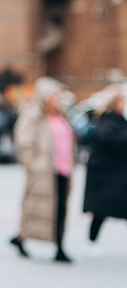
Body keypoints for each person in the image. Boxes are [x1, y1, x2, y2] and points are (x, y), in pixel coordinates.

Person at [10, 77, 75, 263]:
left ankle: (59, 245)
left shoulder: (61, 115)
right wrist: (34, 166)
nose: (58, 98)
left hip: (63, 170)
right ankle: (22, 237)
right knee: (35, 208)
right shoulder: (33, 115)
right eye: (55, 94)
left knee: (60, 208)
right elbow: (24, 143)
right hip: (43, 172)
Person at [82, 84, 127, 258]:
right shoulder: (107, 121)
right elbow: (111, 141)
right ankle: (91, 241)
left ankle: (91, 241)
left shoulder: (118, 121)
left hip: (117, 177)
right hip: (106, 177)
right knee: (100, 211)